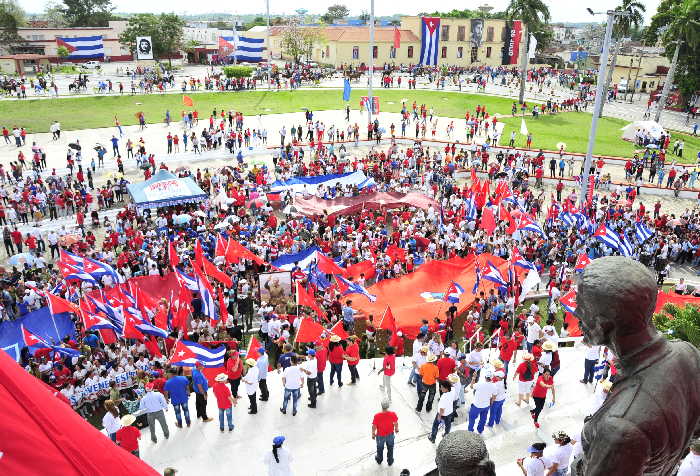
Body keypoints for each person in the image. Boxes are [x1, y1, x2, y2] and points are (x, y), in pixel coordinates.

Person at [576, 257, 700, 475]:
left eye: (581, 309)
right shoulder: (687, 353)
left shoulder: (619, 430)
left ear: (604, 325)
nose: (576, 314)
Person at [372, 398, 399, 466]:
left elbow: (374, 426)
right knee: (390, 448)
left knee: (380, 448)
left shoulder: (377, 416)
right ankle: (390, 461)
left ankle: (379, 459)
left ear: (381, 406)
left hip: (380, 436)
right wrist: (396, 429)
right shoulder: (393, 414)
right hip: (390, 435)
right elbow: (396, 423)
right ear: (388, 406)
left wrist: (373, 433)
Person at [487, 360, 507, 428]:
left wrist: (491, 402)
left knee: (492, 413)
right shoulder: (502, 377)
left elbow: (494, 395)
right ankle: (497, 421)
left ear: (498, 377)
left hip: (496, 400)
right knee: (499, 410)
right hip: (503, 398)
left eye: (496, 376)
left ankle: (490, 424)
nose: (494, 377)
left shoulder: (495, 385)